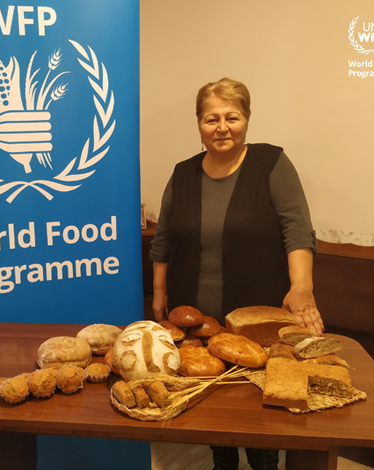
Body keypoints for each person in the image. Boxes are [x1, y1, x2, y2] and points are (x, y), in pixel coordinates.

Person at [149, 77, 324, 470]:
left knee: (259, 417)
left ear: (247, 119)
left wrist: (302, 288)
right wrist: (159, 295)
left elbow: (297, 230)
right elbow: (162, 240)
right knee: (213, 411)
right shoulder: (182, 174)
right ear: (199, 124)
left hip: (255, 323)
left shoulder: (271, 163)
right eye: (212, 119)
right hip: (197, 321)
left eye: (233, 117)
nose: (222, 127)